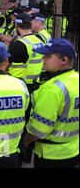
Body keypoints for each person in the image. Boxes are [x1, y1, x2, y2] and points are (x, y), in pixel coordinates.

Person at [23, 38, 79, 168]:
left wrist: (25, 143)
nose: (43, 58)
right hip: (73, 149)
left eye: (48, 56)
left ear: (63, 60)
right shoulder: (76, 79)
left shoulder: (52, 89)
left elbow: (39, 130)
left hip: (51, 155)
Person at [8, 13, 45, 93]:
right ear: (30, 24)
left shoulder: (18, 44)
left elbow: (4, 64)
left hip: (18, 86)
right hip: (35, 84)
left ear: (16, 25)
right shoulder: (40, 40)